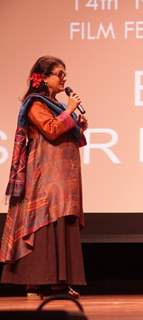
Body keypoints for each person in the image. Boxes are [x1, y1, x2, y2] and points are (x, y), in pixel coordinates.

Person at [0, 56, 88, 298]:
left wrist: (78, 122)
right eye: (60, 74)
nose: (64, 78)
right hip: (45, 173)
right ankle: (37, 281)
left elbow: (66, 133)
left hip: (63, 175)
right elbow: (50, 130)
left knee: (63, 219)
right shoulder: (34, 103)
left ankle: (60, 281)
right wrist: (69, 111)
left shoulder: (55, 105)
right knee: (45, 218)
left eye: (64, 73)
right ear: (44, 78)